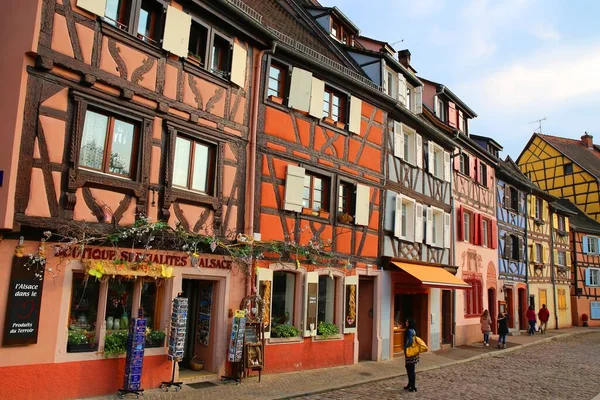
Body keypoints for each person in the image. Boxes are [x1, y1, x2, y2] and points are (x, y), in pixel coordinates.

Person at [404, 318, 419, 392]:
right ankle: (410, 384)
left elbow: (410, 341)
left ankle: (412, 385)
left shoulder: (409, 331)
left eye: (407, 321)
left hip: (410, 352)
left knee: (410, 369)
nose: (405, 322)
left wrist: (405, 347)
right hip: (414, 352)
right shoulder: (414, 330)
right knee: (410, 368)